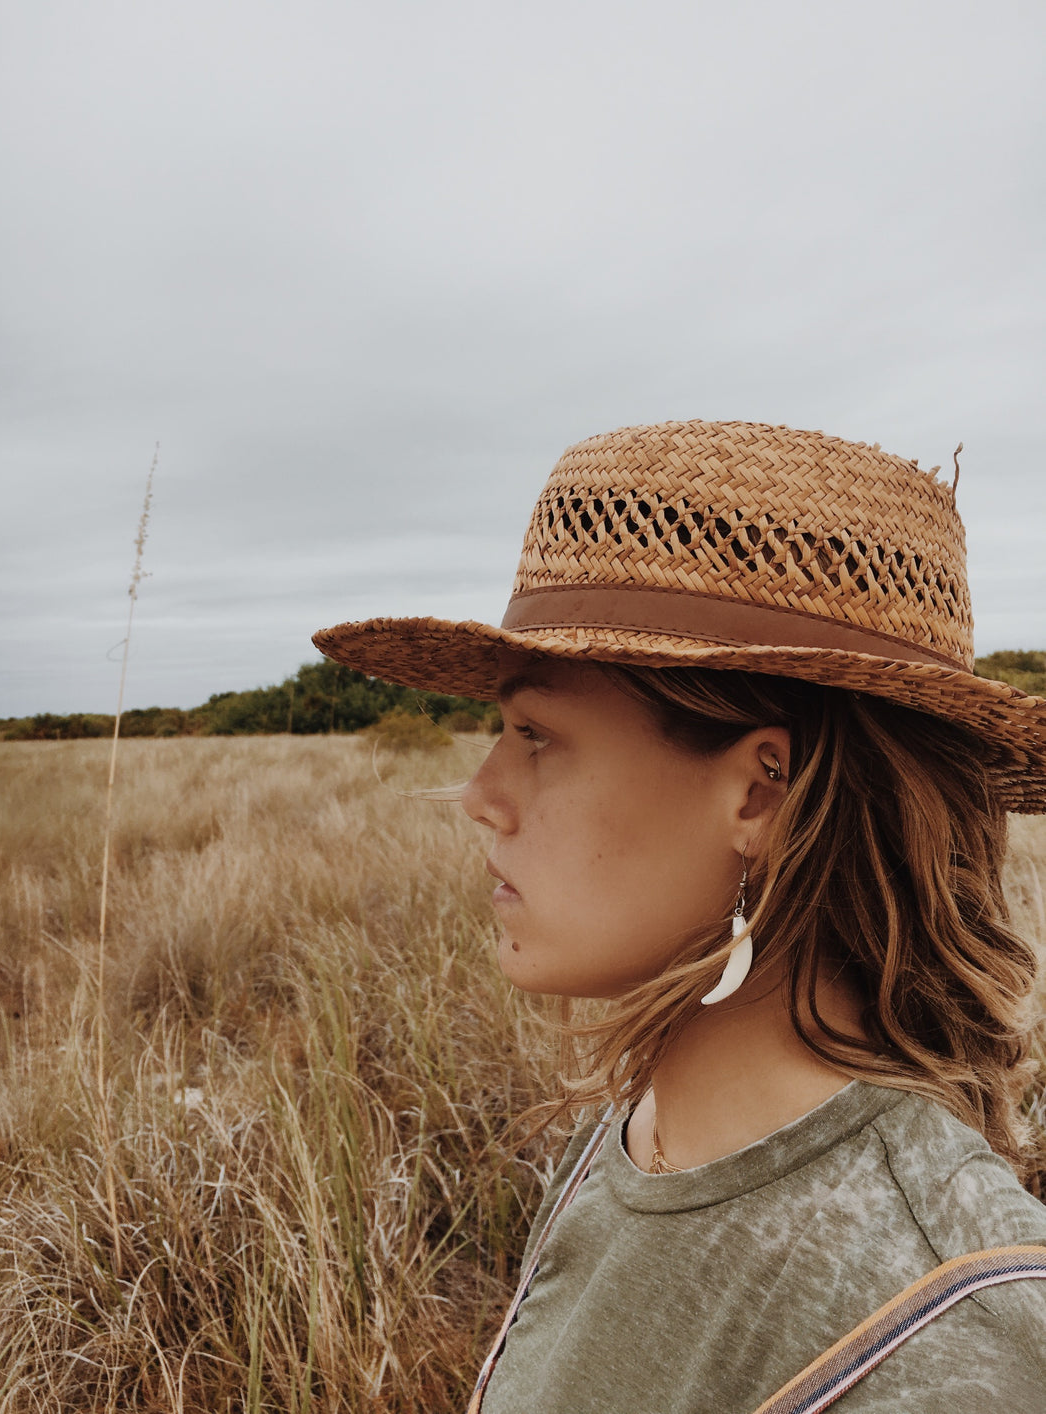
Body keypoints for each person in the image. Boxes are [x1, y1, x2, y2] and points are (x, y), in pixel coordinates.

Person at [312, 421, 1046, 1411]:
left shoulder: (956, 1333)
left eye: (536, 734)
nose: (479, 794)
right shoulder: (623, 1142)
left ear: (759, 793)